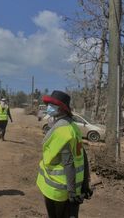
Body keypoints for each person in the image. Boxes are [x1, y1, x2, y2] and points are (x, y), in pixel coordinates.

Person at [36, 90, 93, 218]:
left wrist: (71, 192)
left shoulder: (62, 131)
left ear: (61, 109)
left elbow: (69, 163)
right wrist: (84, 185)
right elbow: (82, 156)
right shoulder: (73, 127)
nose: (48, 108)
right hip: (73, 187)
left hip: (58, 189)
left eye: (52, 105)